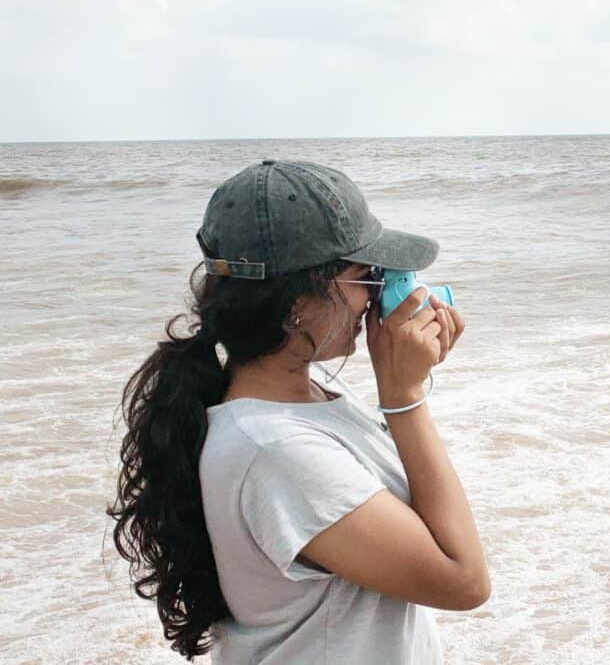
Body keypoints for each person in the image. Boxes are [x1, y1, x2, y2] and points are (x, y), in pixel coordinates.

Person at [108, 159, 490, 663]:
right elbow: (463, 581)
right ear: (296, 302)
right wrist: (404, 398)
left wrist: (402, 389)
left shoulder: (310, 400)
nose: (375, 299)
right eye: (366, 277)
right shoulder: (275, 451)